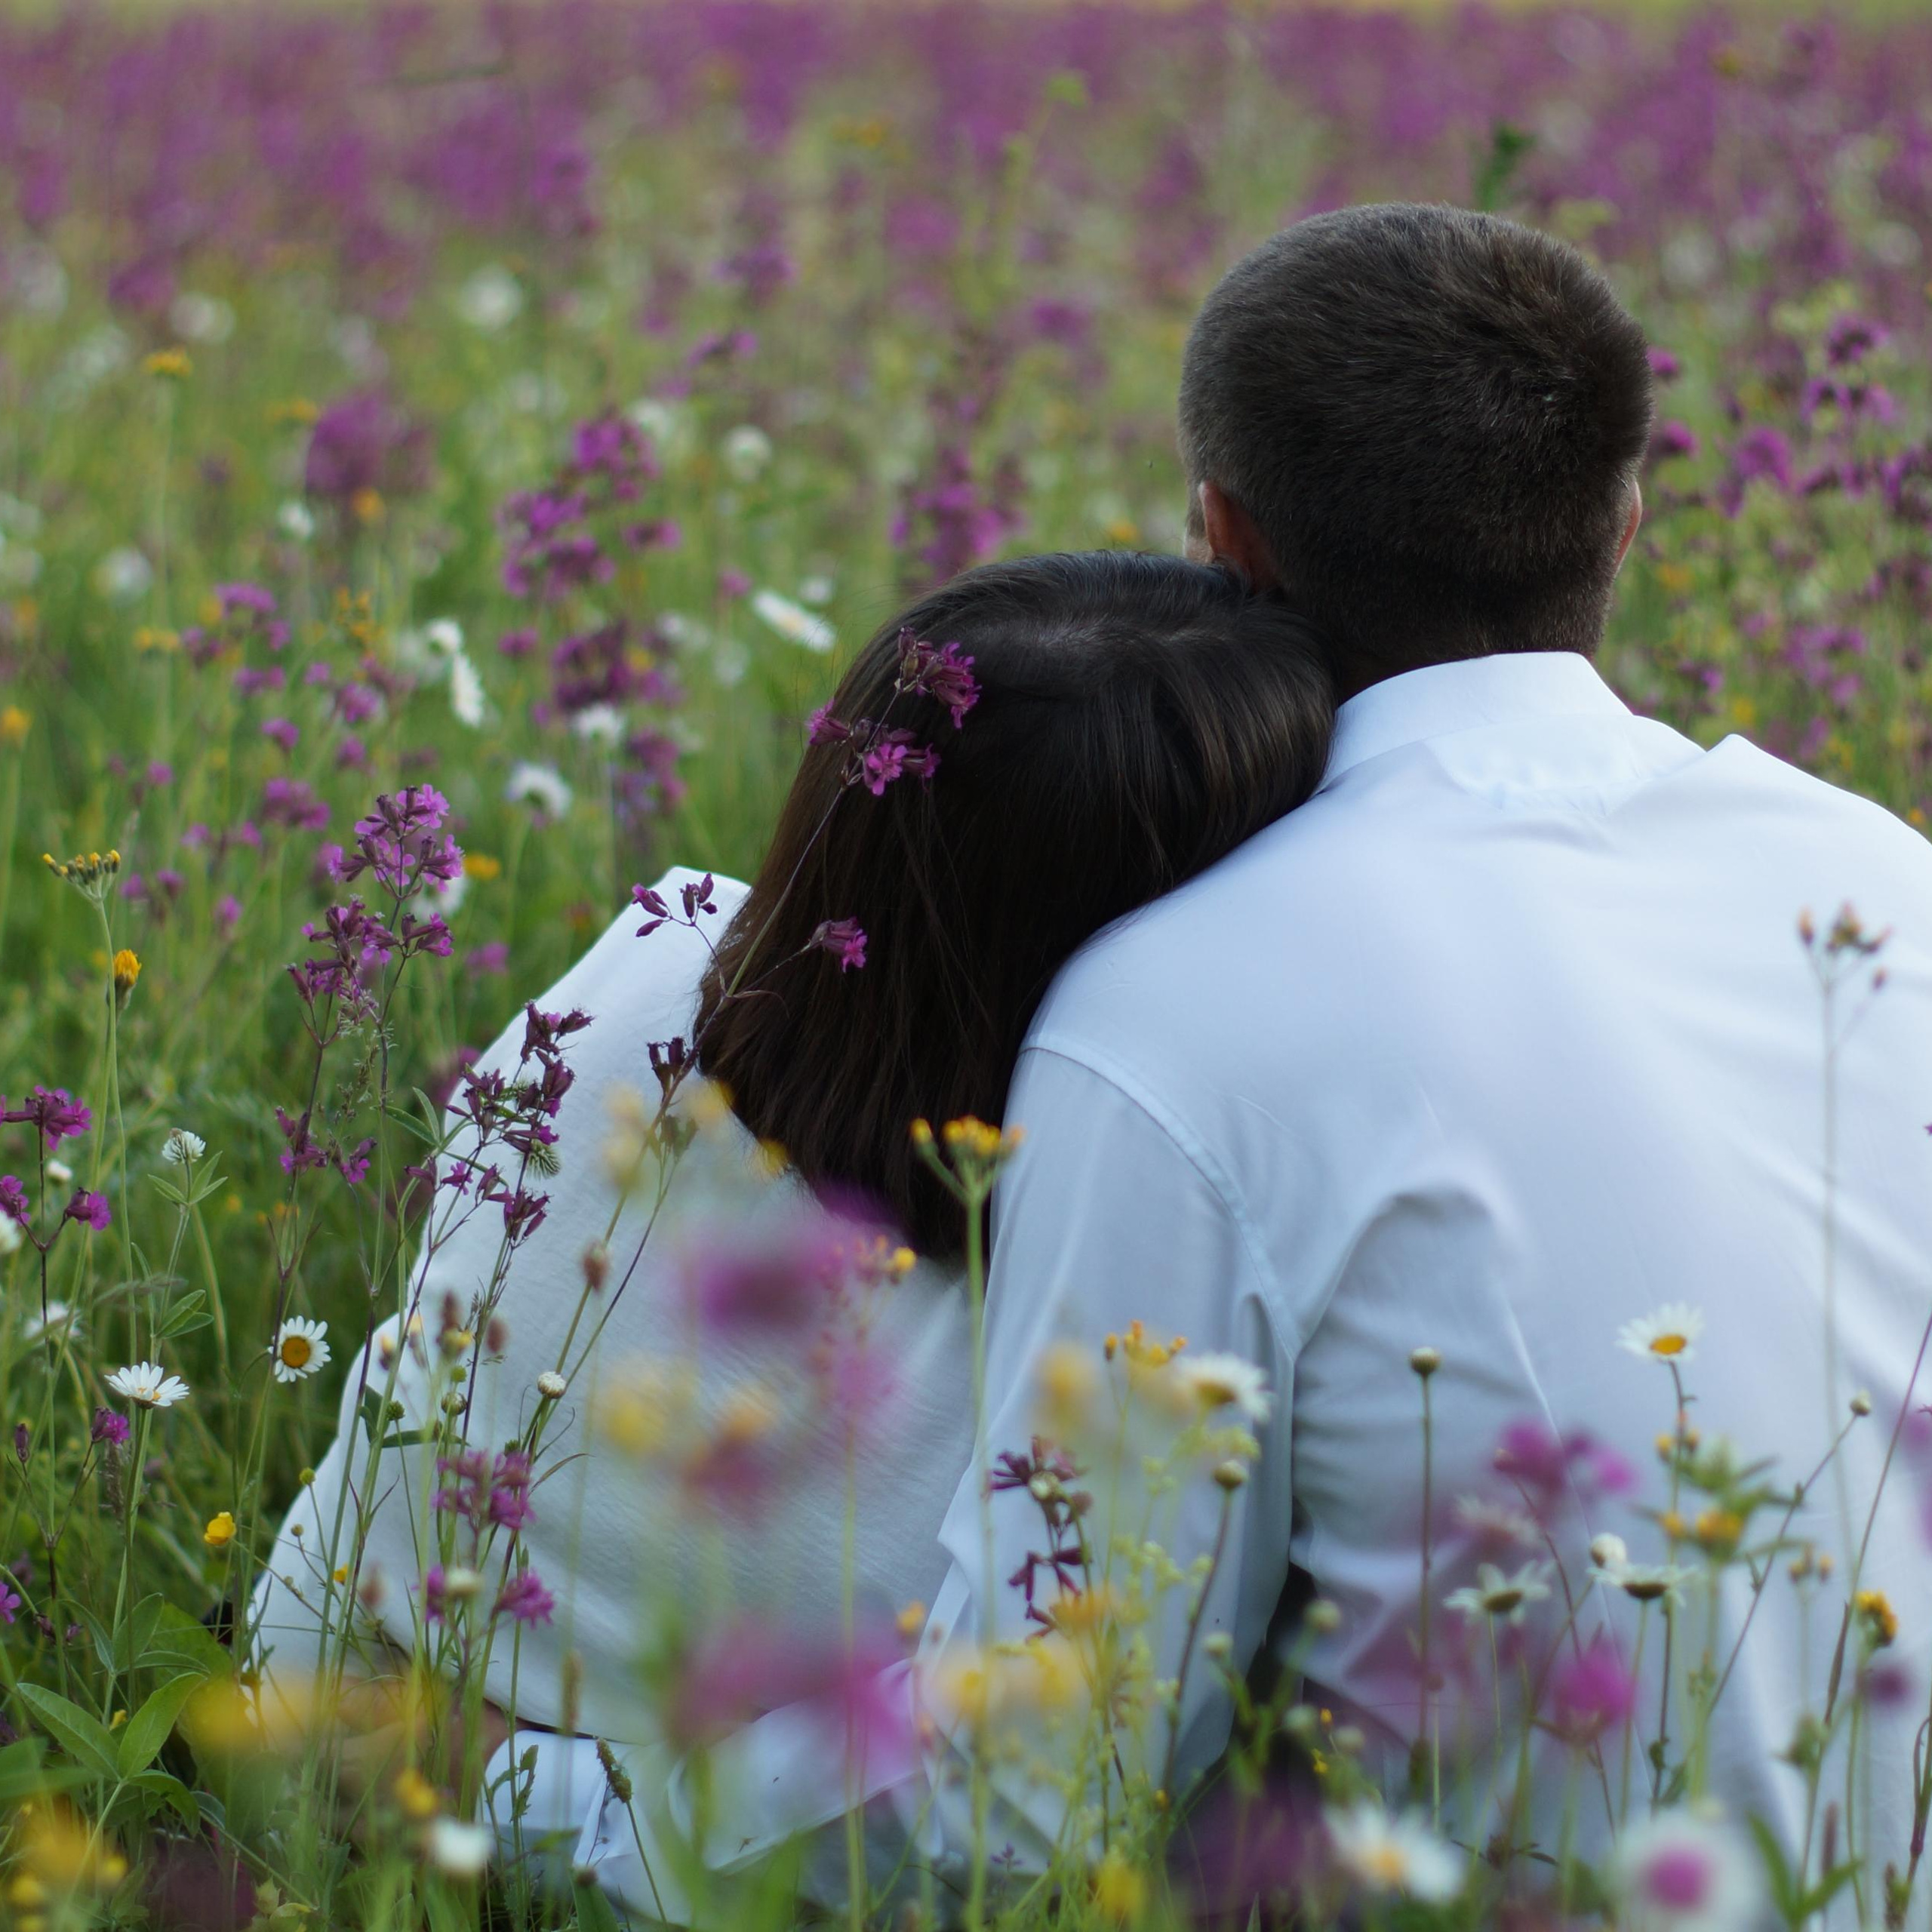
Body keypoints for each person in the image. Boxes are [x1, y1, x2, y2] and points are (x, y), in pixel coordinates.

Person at [901, 201, 1932, 1887]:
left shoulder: (1175, 1002)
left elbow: (1030, 1792)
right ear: (1625, 522)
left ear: (1217, 539)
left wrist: (568, 1782)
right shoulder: (1877, 872)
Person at [250, 553, 1333, 1898]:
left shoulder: (661, 950)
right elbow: (1018, 1812)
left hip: (301, 1731)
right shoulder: (1090, 1254)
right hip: (639, 1873)